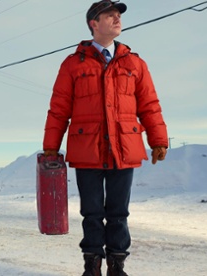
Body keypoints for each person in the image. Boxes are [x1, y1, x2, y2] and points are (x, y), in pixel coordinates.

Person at [42, 1, 168, 275]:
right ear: (93, 24)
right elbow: (59, 108)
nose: (116, 18)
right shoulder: (73, 64)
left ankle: (117, 265)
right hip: (87, 149)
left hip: (124, 147)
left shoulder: (135, 63)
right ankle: (92, 264)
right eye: (109, 15)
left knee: (119, 214)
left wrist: (158, 139)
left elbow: (149, 105)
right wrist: (51, 147)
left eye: (118, 15)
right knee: (92, 213)